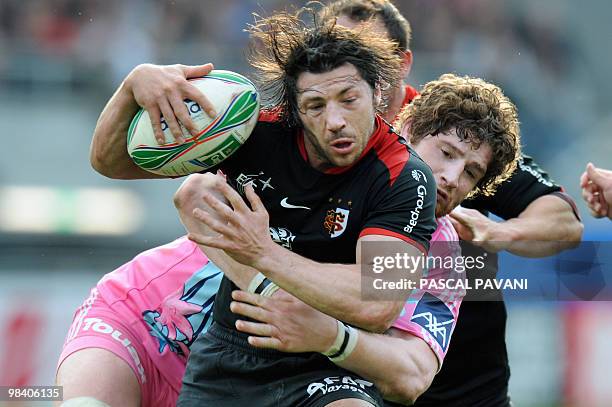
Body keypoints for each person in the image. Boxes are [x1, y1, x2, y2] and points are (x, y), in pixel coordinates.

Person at [61, 7, 441, 407]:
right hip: (216, 348)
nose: (335, 121)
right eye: (315, 106)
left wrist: (262, 252)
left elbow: (379, 306)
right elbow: (113, 162)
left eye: (349, 100)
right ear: (295, 110)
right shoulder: (256, 134)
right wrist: (131, 86)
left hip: (325, 366)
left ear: (378, 91)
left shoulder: (412, 184)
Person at [319, 1, 583, 406]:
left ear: (402, 63)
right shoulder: (309, 139)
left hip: (468, 390)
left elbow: (564, 221)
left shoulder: (453, 134)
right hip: (348, 385)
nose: (347, 68)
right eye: (331, 51)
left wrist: (498, 232)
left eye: (364, 53)